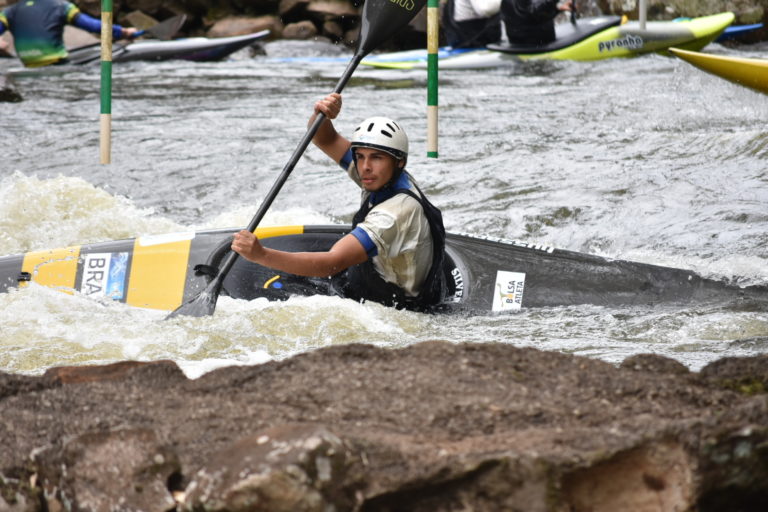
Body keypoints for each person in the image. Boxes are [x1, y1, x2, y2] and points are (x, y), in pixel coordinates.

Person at [231, 93, 447, 311]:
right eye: (360, 156)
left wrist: (262, 255)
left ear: (400, 162)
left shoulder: (393, 214)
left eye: (376, 157)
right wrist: (322, 115)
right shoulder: (383, 176)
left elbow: (330, 263)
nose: (365, 167)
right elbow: (326, 139)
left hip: (398, 305)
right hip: (384, 272)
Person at [0, 0, 137, 68]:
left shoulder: (10, 12)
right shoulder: (61, 6)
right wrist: (123, 32)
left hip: (28, 67)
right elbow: (92, 26)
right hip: (57, 66)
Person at [500, 0, 572, 46]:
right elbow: (534, 11)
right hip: (536, 45)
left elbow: (528, 16)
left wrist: (557, 9)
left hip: (516, 43)